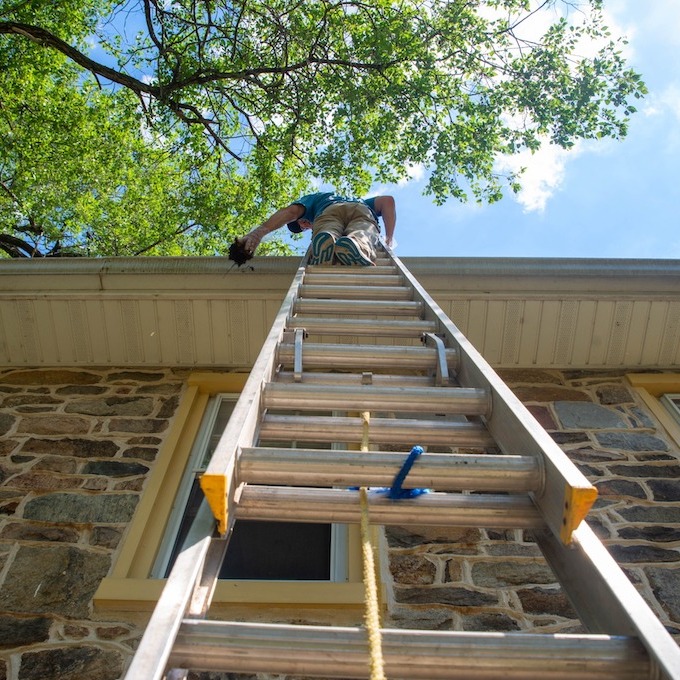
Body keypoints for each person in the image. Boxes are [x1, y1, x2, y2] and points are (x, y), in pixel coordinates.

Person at [237, 192, 396, 266]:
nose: (306, 226)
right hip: (361, 209)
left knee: (327, 228)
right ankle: (355, 245)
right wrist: (389, 237)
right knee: (362, 231)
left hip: (328, 211)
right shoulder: (355, 199)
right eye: (304, 228)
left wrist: (258, 233)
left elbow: (290, 212)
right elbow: (387, 201)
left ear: (303, 217)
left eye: (303, 223)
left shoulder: (315, 201)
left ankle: (329, 243)